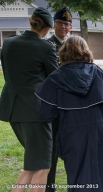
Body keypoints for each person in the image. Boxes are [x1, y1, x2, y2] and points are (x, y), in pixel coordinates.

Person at [35, 35, 103, 192]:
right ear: (86, 51)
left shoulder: (54, 78)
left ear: (63, 52)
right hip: (102, 134)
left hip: (72, 136)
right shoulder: (98, 73)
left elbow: (47, 114)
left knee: (79, 178)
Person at [0, 7, 58, 192]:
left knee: (33, 164)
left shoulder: (8, 42)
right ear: (48, 28)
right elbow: (54, 79)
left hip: (12, 109)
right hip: (35, 112)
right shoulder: (46, 47)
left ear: (30, 21)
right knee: (42, 166)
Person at [46, 7, 72, 192]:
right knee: (52, 150)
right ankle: (50, 187)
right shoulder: (47, 45)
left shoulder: (74, 44)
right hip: (55, 103)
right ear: (53, 24)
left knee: (74, 148)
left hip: (72, 105)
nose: (63, 27)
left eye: (67, 23)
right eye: (60, 23)